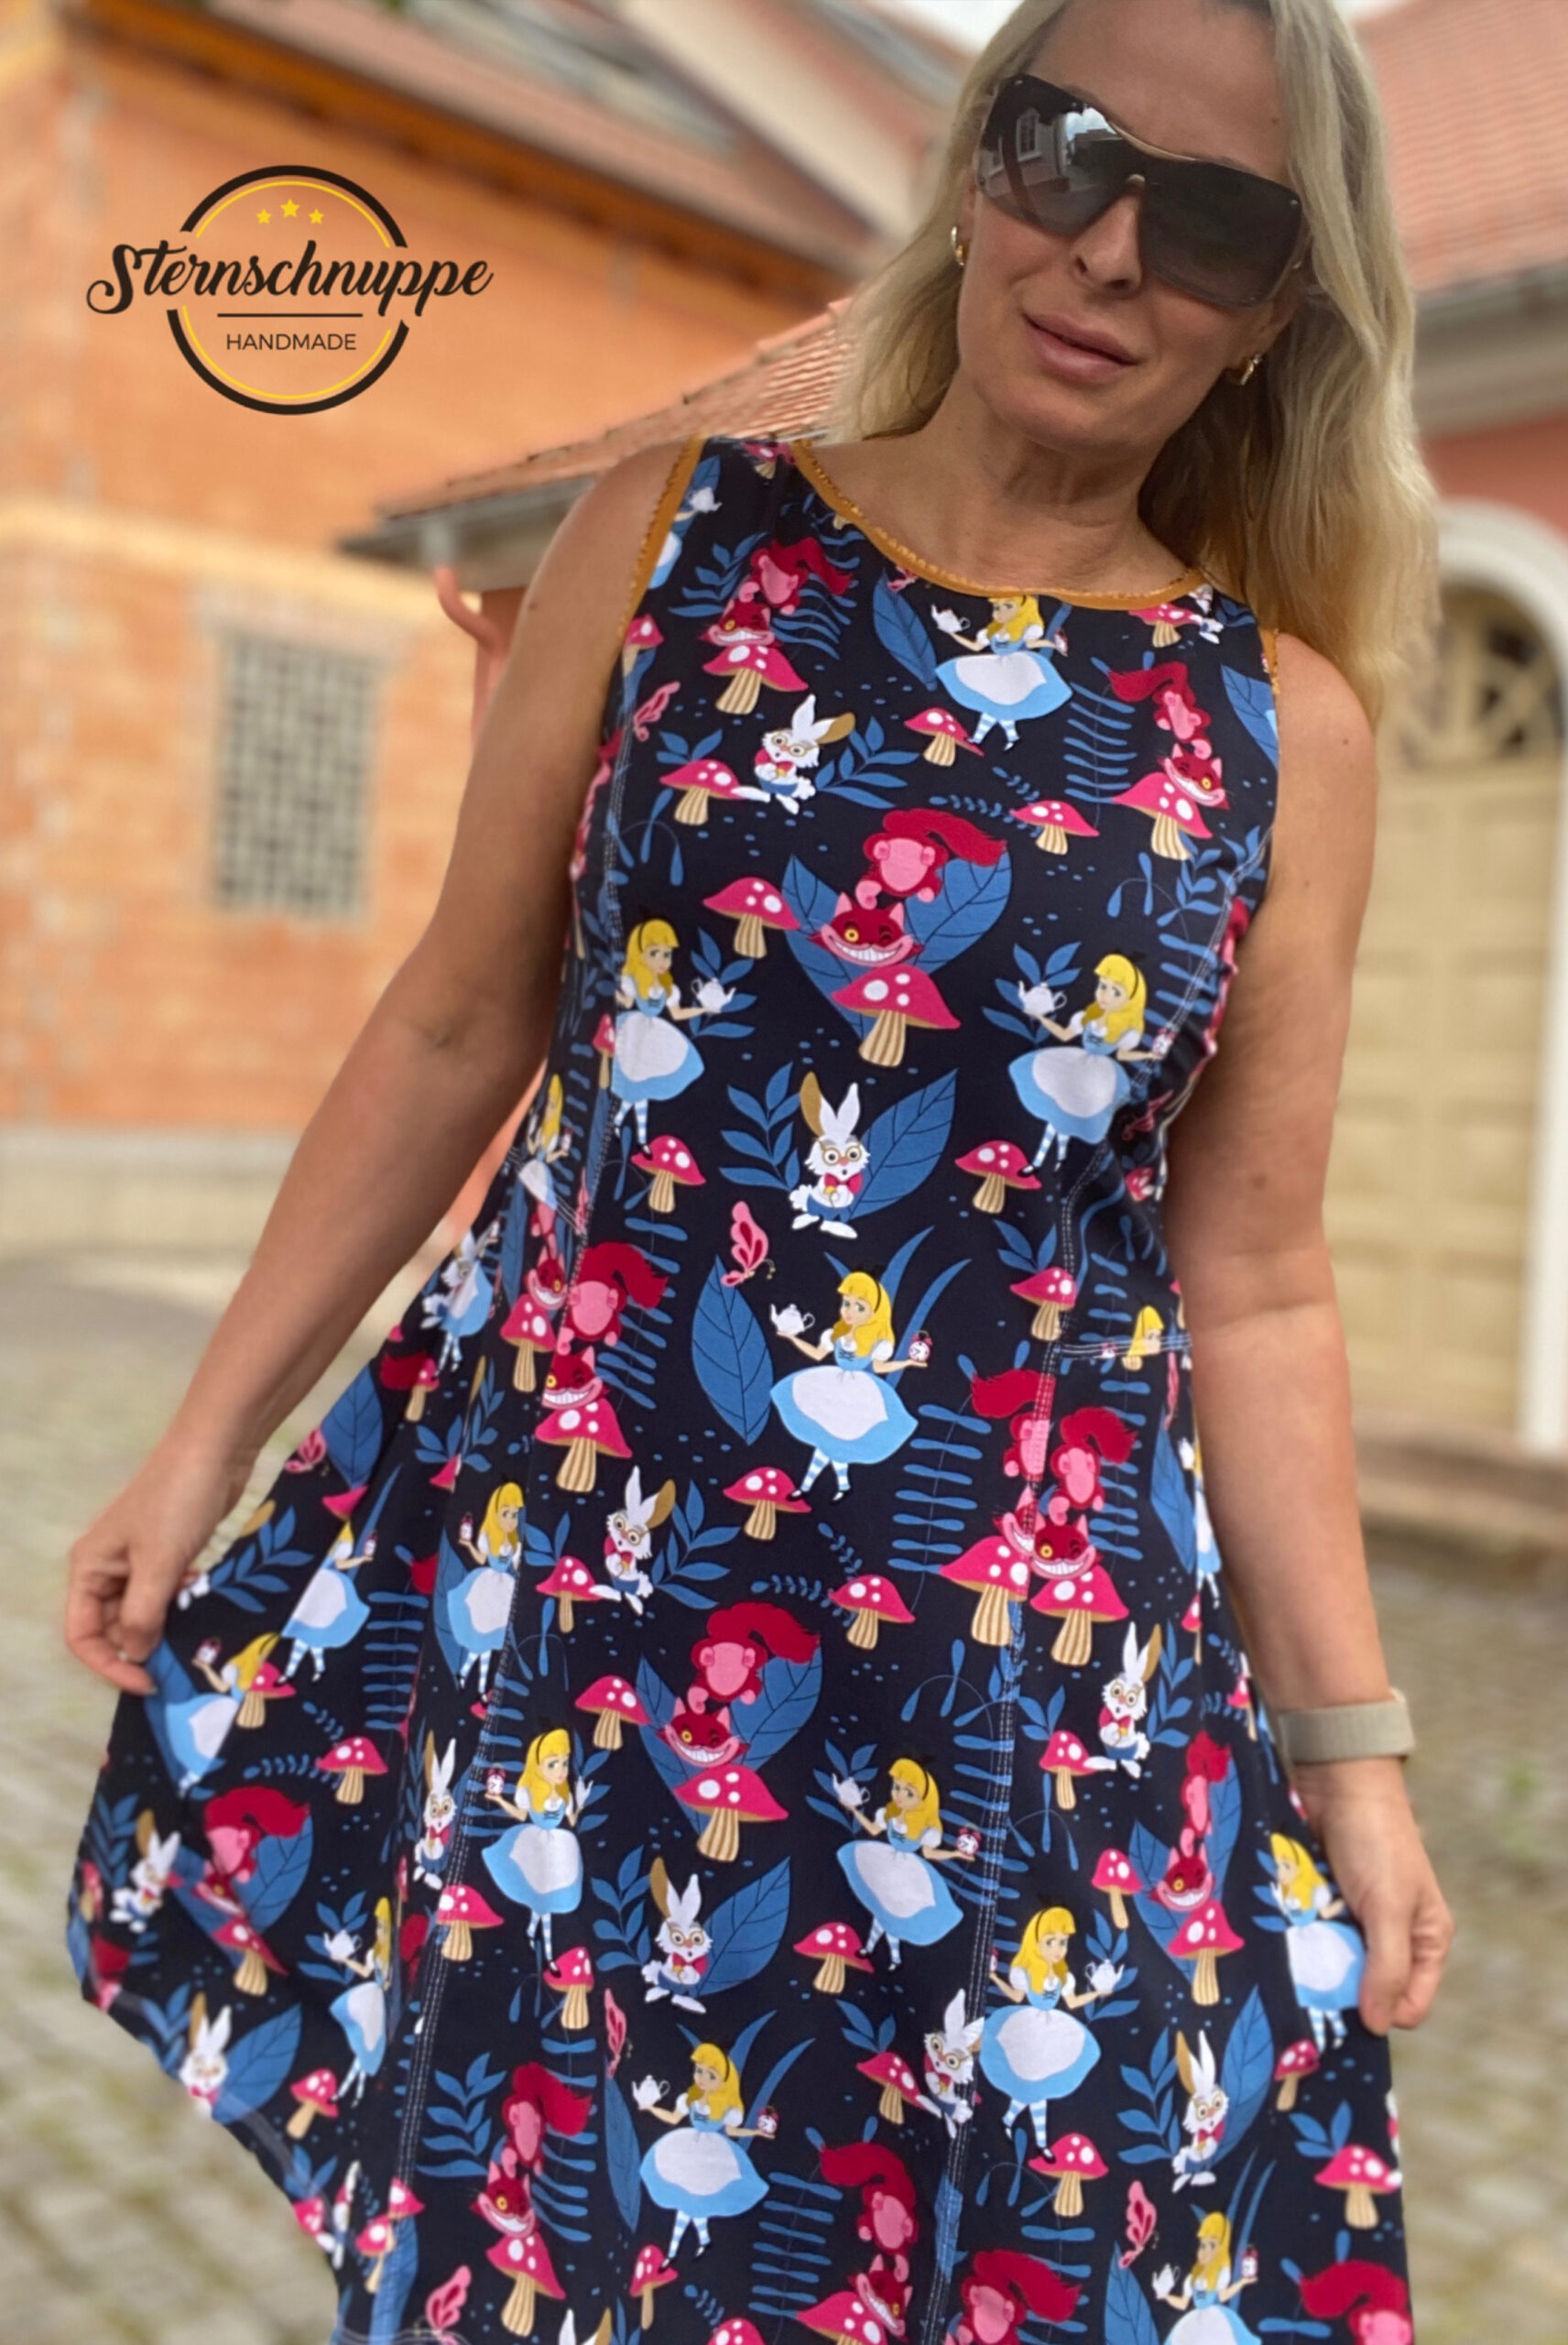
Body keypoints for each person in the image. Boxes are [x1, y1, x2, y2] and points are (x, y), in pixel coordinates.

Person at [63, 2, 1454, 2338]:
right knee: (560, 2228)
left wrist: (1360, 1760)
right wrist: (202, 1435)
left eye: (1211, 223)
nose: (1111, 250)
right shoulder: (673, 534)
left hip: (1007, 1680)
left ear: (1274, 315)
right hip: (587, 1609)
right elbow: (456, 1016)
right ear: (977, 165)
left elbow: (1259, 1279)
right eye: (1068, 150)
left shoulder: (1270, 729)